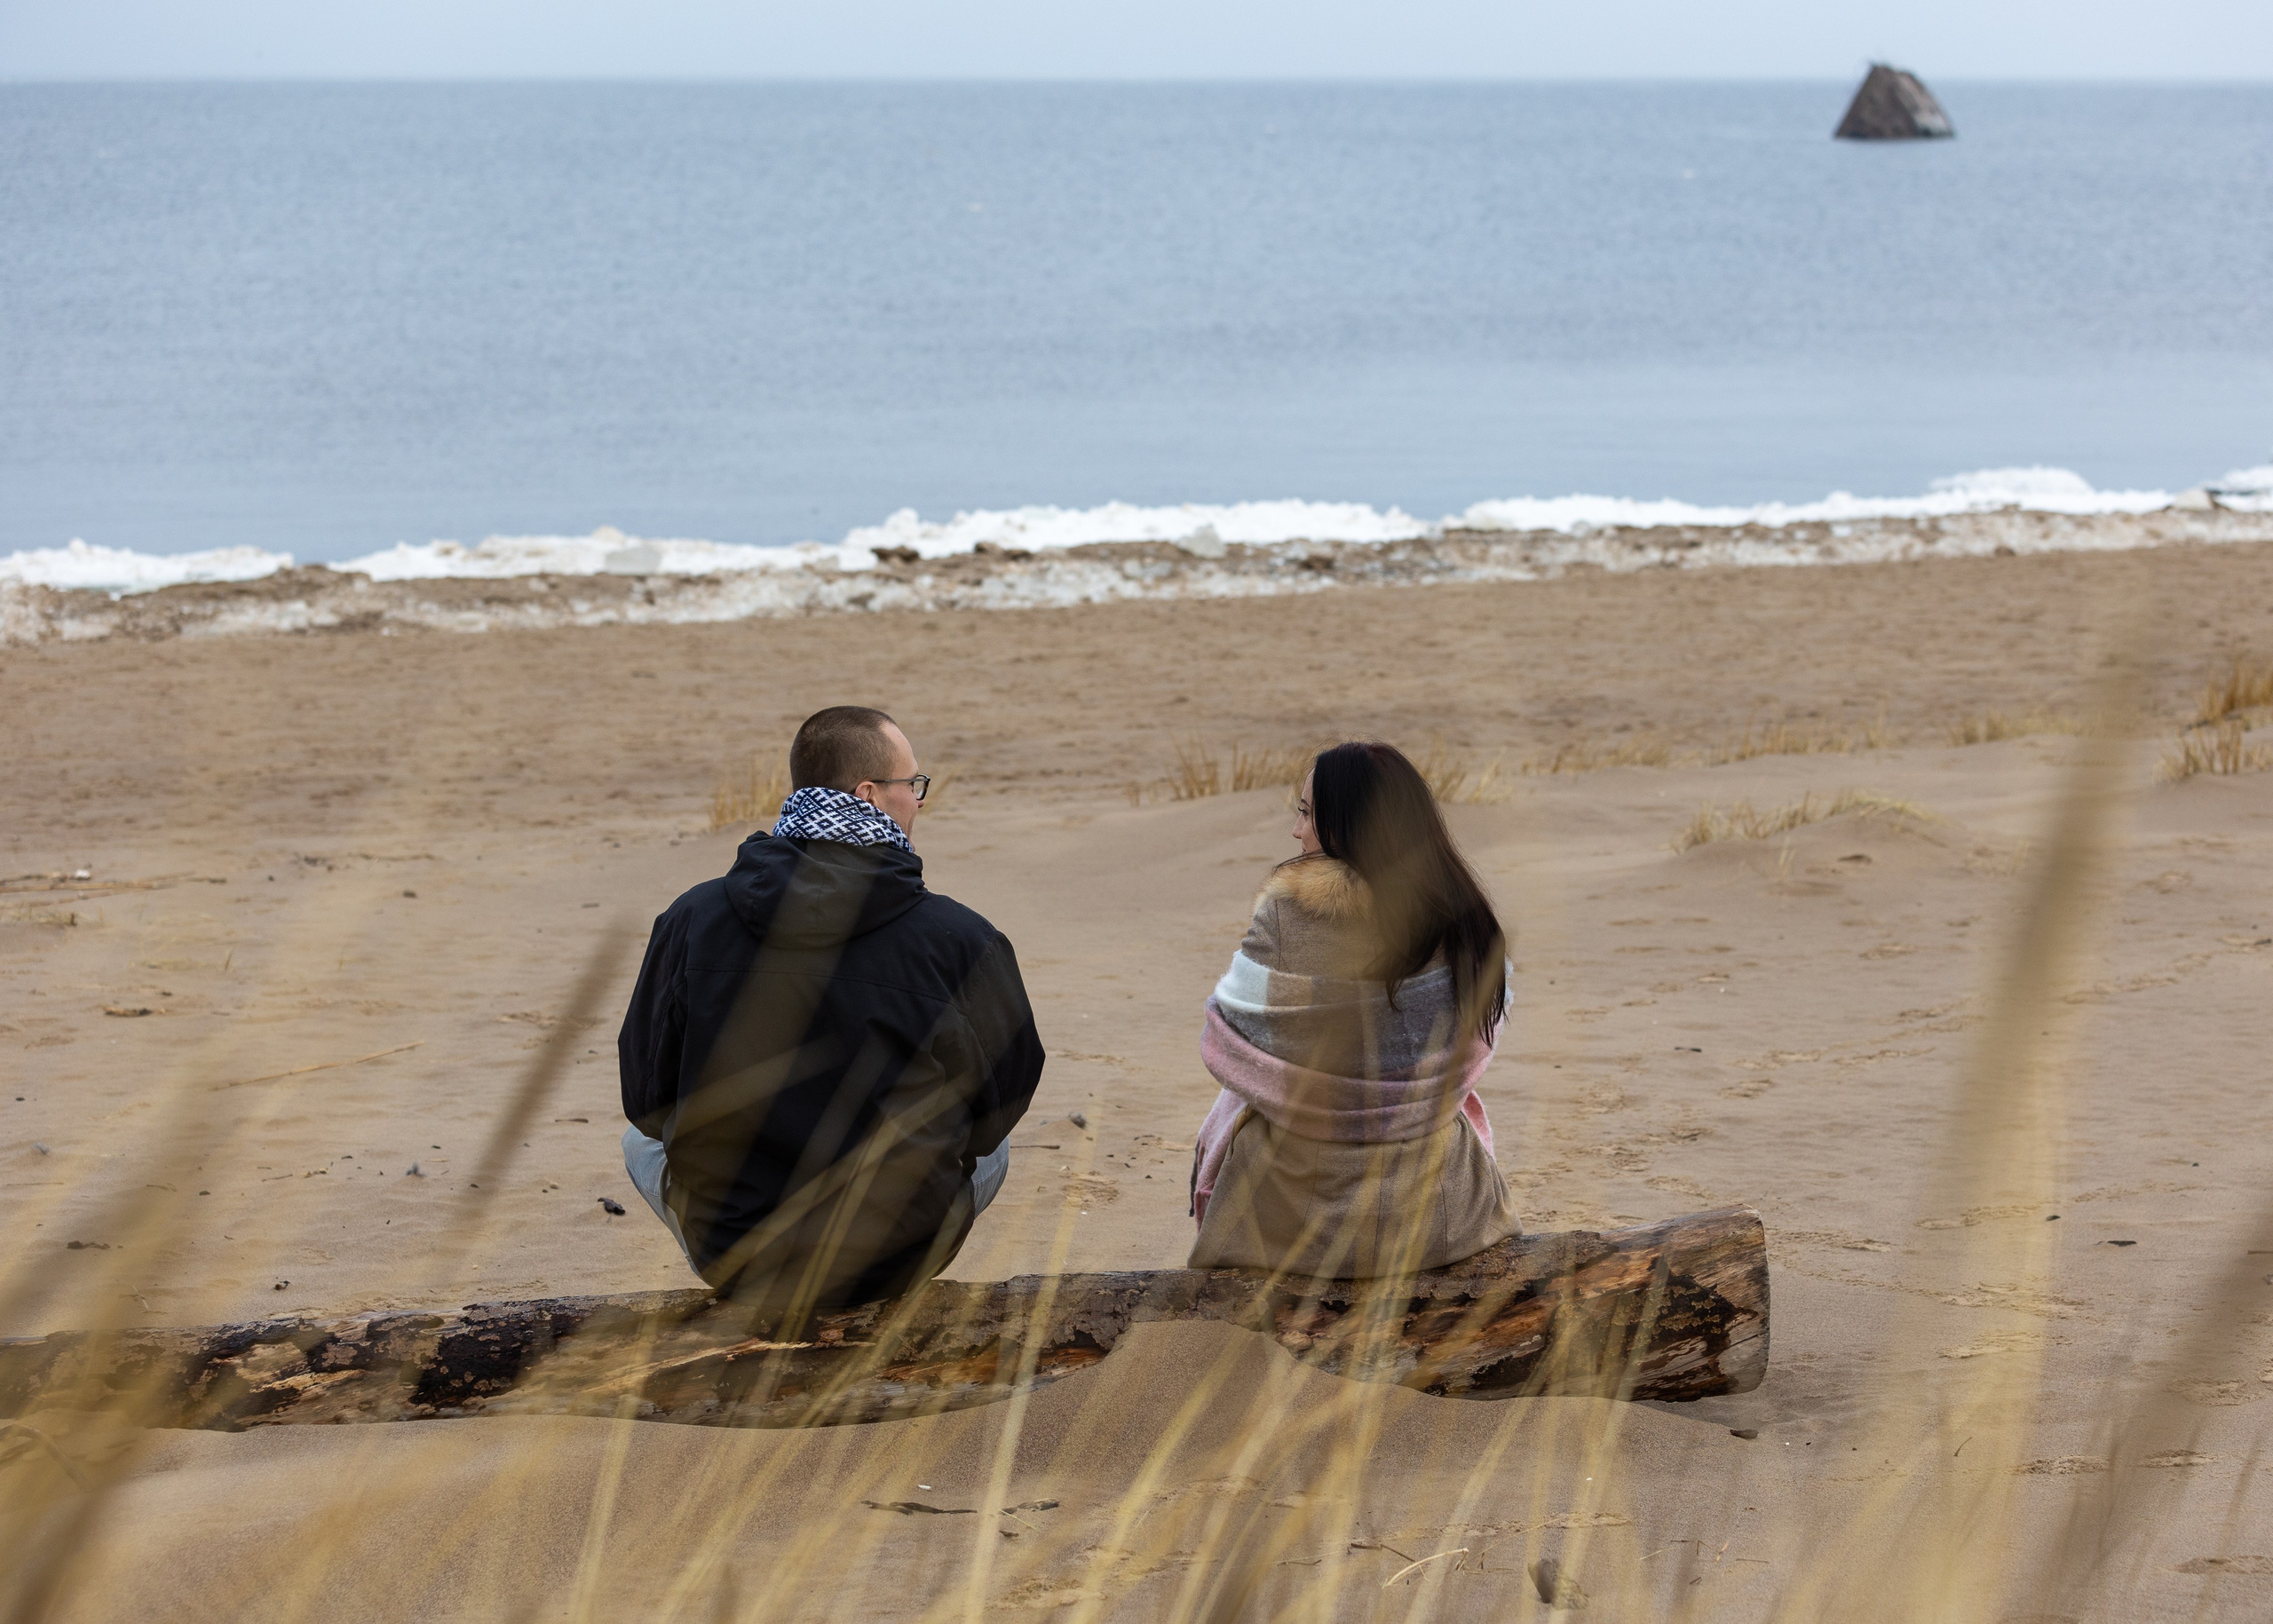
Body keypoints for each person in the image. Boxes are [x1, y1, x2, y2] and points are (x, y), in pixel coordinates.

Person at [617, 705, 1045, 1321]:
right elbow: (998, 1109)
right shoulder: (960, 938)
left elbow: (646, 1101)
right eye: (912, 785)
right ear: (869, 793)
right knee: (997, 1148)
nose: (919, 801)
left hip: (737, 1253)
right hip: (892, 1259)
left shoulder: (691, 919)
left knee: (637, 1142)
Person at [1188, 741, 1518, 1278]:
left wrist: (1315, 1092)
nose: (1297, 832)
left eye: (1305, 813)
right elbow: (1479, 1043)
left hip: (1292, 1220)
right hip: (1443, 1214)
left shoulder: (1285, 915)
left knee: (1238, 1105)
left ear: (1345, 825)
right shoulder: (1468, 920)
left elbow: (1224, 1039)